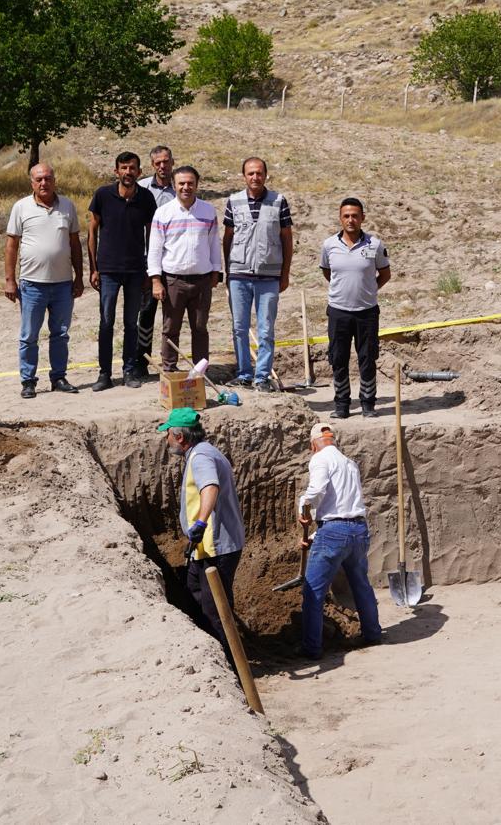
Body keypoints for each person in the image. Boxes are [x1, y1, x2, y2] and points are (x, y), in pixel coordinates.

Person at [160, 407, 245, 664]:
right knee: (194, 590)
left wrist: (200, 521)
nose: (167, 440)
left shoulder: (200, 458)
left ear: (181, 437)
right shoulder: (204, 451)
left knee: (215, 609)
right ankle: (214, 654)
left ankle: (232, 664)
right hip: (205, 546)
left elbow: (210, 487)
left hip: (217, 546)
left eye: (168, 435)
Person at [297, 422, 382, 660]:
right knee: (361, 584)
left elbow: (316, 492)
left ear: (314, 444)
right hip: (358, 530)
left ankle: (311, 648)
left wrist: (303, 509)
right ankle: (373, 633)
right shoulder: (349, 463)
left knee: (313, 590)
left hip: (335, 532)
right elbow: (343, 507)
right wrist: (315, 536)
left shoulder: (320, 459)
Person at [4, 163, 85, 399]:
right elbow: (11, 245)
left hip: (62, 285)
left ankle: (58, 377)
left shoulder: (67, 206)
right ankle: (28, 381)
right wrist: (10, 280)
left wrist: (79, 277)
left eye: (48, 178)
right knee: (29, 335)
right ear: (32, 182)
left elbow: (74, 245)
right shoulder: (21, 207)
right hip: (32, 285)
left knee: (60, 333)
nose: (43, 183)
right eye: (39, 179)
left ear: (54, 180)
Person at [87, 151, 157, 391]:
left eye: (133, 168)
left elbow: (153, 236)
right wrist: (93, 268)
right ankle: (104, 374)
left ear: (139, 171)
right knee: (106, 322)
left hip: (136, 271)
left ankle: (129, 370)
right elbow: (92, 232)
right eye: (124, 168)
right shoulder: (103, 195)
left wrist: (151, 270)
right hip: (108, 271)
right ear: (116, 171)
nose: (128, 172)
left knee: (131, 323)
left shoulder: (146, 198)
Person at [222, 157, 293, 392]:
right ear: (244, 176)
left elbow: (286, 239)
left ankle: (262, 377)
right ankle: (244, 374)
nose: (255, 177)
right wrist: (228, 271)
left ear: (266, 175)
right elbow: (228, 237)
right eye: (250, 173)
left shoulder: (279, 202)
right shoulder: (233, 201)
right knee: (239, 328)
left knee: (265, 330)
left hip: (269, 277)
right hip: (239, 275)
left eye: (259, 173)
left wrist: (284, 275)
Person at [319, 197, 391, 418]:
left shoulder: (375, 245)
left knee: (367, 357)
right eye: (346, 216)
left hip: (367, 312)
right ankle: (342, 405)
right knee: (338, 358)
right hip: (338, 311)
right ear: (340, 218)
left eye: (355, 216)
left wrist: (368, 290)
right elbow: (327, 272)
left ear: (362, 218)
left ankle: (368, 403)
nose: (351, 220)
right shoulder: (329, 245)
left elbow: (385, 274)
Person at [146, 165, 222, 374]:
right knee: (170, 329)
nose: (186, 187)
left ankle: (200, 372)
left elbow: (214, 243)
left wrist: (216, 271)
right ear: (174, 185)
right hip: (173, 280)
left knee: (199, 328)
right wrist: (155, 280)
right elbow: (155, 248)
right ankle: (169, 370)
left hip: (202, 280)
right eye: (181, 183)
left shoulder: (208, 211)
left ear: (197, 185)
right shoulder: (163, 213)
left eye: (190, 183)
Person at [133, 145, 176, 377]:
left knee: (172, 315)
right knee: (146, 312)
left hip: (172, 260)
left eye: (166, 161)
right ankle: (141, 360)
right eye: (158, 162)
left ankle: (169, 362)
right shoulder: (140, 188)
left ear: (172, 162)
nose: (162, 166)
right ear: (152, 165)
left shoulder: (179, 188)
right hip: (146, 260)